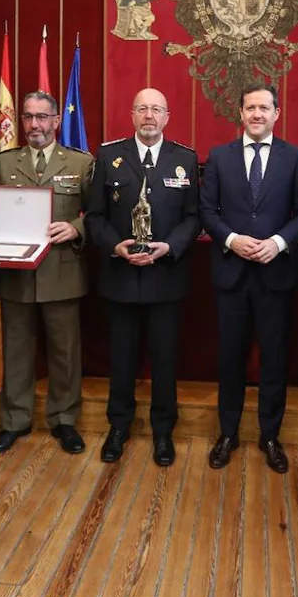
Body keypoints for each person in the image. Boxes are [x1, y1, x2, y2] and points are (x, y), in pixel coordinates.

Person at [200, 83, 298, 473]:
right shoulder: (218, 157)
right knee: (229, 359)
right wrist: (231, 239)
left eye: (264, 108)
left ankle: (270, 435)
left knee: (273, 360)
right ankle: (228, 434)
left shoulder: (295, 157)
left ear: (276, 113)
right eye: (250, 108)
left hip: (275, 273)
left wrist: (279, 242)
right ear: (240, 112)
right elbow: (207, 211)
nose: (257, 114)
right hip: (232, 274)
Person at [85, 89, 201, 467]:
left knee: (165, 360)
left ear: (167, 116)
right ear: (132, 115)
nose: (149, 116)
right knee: (121, 359)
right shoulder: (108, 156)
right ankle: (118, 428)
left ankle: (163, 431)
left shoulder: (185, 158)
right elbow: (95, 216)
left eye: (156, 109)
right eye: (142, 109)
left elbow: (193, 218)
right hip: (120, 276)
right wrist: (114, 246)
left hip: (165, 276)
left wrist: (170, 247)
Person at [0, 91, 93, 455]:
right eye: (29, 117)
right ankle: (15, 420)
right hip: (16, 273)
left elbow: (97, 213)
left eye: (42, 117)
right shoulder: (4, 163)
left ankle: (64, 419)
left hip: (62, 271)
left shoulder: (81, 163)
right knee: (16, 350)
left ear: (56, 121)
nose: (34, 124)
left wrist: (77, 227)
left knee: (65, 353)